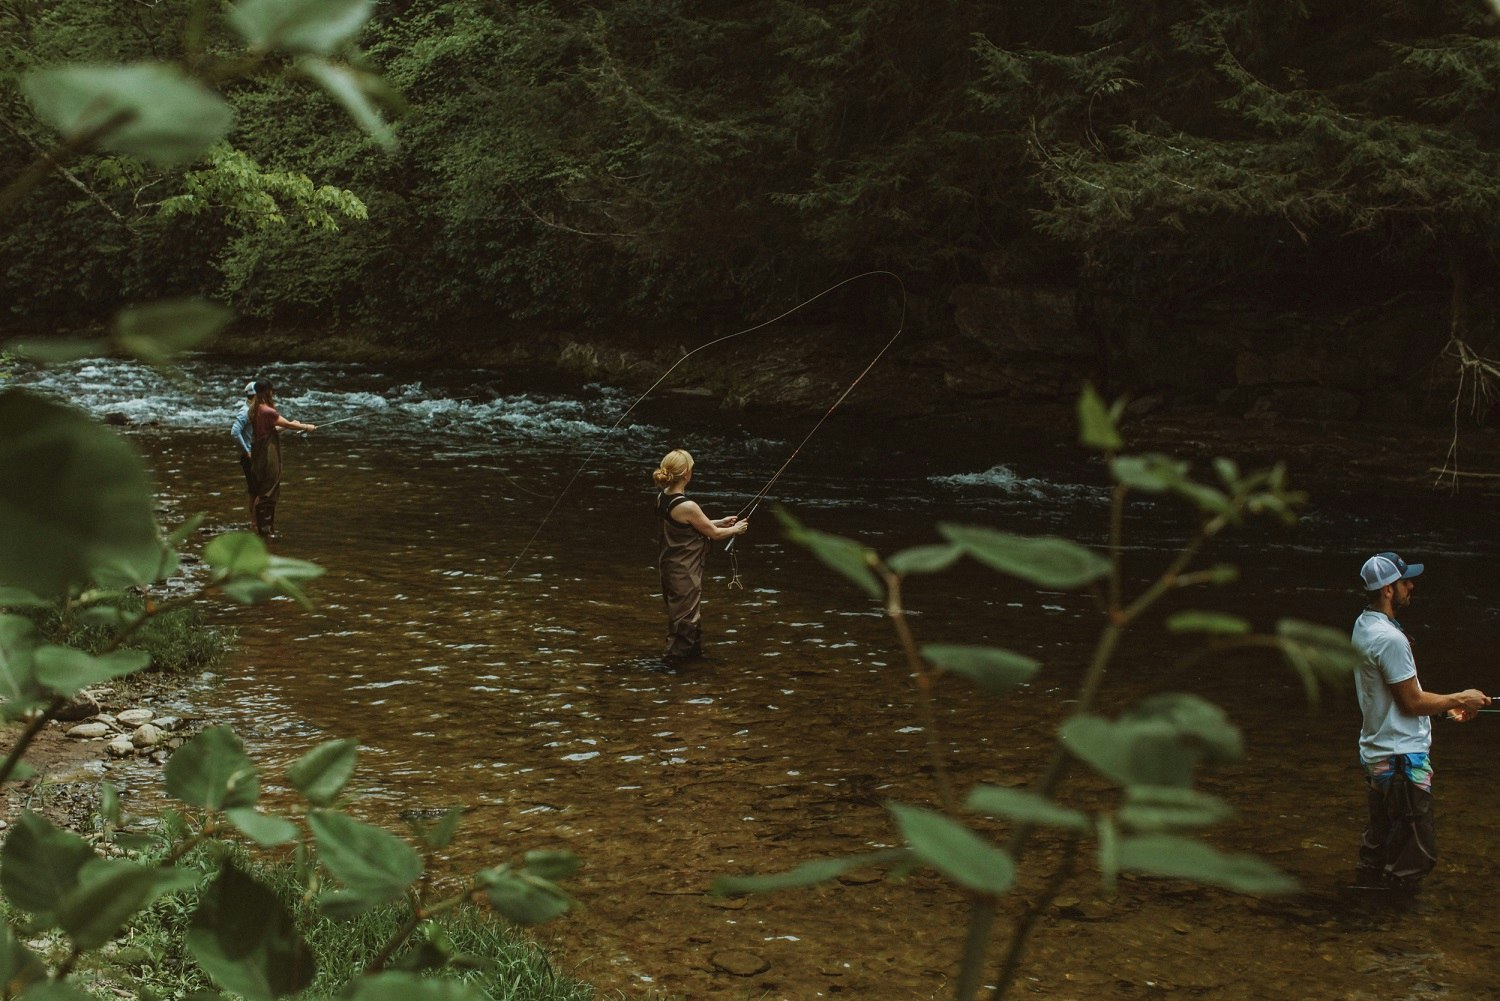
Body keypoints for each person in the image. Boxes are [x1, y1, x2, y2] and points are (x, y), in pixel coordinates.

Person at [1350, 551, 1490, 891]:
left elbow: (1397, 697)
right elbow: (1411, 702)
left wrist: (1442, 709)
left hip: (1380, 756)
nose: (1410, 586)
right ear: (1387, 590)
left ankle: (1363, 919)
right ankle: (1397, 937)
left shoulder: (1365, 625)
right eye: (1404, 581)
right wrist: (1461, 698)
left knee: (1380, 850)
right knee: (1414, 858)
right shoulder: (1391, 639)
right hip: (1401, 761)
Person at [652, 449, 748, 663]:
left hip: (669, 567)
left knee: (685, 616)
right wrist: (735, 529)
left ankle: (692, 662)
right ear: (686, 474)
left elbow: (694, 525)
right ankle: (672, 668)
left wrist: (720, 521)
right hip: (683, 571)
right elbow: (713, 534)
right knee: (685, 621)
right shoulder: (688, 506)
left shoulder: (663, 498)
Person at [246, 379, 315, 538]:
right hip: (268, 455)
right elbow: (286, 424)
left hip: (258, 454)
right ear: (267, 392)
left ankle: (259, 527)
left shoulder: (254, 409)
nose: (273, 393)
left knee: (261, 488)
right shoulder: (267, 411)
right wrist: (306, 427)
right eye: (271, 390)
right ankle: (262, 528)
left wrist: (290, 424)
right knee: (268, 489)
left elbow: (272, 429)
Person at [230, 380, 257, 528]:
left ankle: (255, 524)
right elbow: (234, 432)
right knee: (257, 492)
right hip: (250, 458)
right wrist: (246, 451)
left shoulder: (253, 410)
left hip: (253, 456)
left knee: (254, 492)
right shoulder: (245, 412)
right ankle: (255, 524)